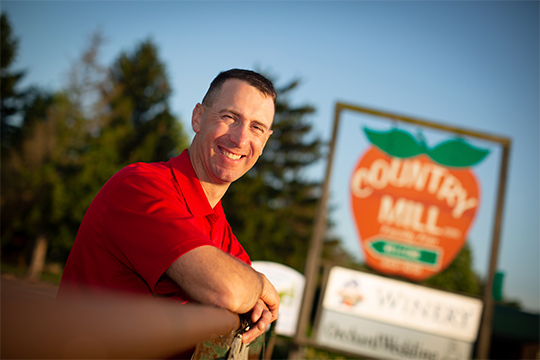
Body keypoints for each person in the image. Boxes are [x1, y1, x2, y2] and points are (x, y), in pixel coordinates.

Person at [57, 69, 280, 347]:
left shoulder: (223, 234)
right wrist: (257, 284)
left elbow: (244, 290)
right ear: (198, 117)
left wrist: (252, 288)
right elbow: (230, 289)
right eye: (229, 117)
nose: (240, 139)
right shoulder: (139, 188)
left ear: (265, 142)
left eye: (256, 127)